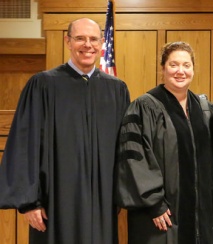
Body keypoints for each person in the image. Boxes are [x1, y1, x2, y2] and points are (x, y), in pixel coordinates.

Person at [0, 18, 130, 244]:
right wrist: (30, 202)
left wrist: (121, 195)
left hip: (102, 202)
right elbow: (25, 145)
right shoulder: (43, 85)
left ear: (101, 44)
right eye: (80, 38)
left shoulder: (116, 89)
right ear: (67, 41)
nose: (87, 45)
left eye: (93, 39)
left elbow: (125, 148)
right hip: (55, 202)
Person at [115, 41, 213, 244]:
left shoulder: (204, 108)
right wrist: (154, 203)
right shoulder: (144, 107)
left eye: (186, 65)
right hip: (160, 214)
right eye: (173, 65)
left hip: (201, 215)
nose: (180, 71)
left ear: (193, 69)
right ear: (162, 68)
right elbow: (134, 159)